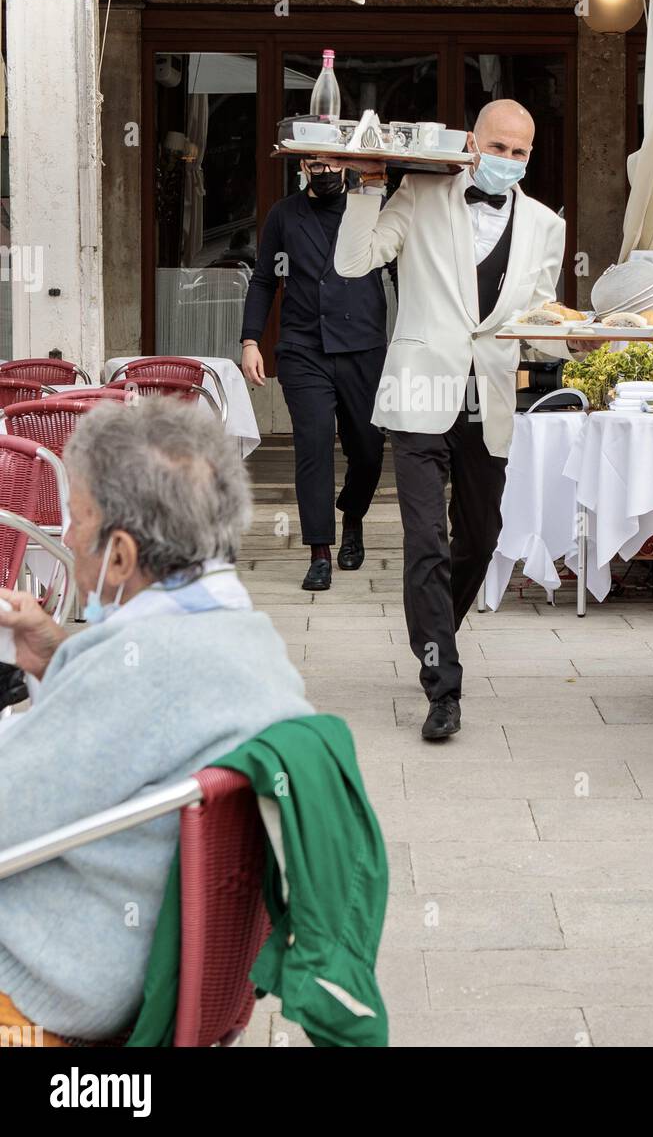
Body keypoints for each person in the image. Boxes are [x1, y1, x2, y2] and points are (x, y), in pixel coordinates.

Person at [0, 398, 313, 1044]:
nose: (65, 537)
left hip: (55, 980)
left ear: (119, 556)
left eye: (76, 519)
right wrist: (59, 657)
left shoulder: (135, 671)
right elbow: (140, 736)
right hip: (148, 963)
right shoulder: (245, 641)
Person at [335, 99, 580, 741]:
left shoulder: (545, 226)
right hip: (420, 391)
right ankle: (443, 684)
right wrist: (365, 185)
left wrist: (576, 339)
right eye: (497, 148)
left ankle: (434, 633)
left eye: (518, 153)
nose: (506, 161)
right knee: (426, 540)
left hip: (487, 399)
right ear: (472, 142)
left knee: (480, 535)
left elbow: (535, 321)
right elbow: (354, 262)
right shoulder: (420, 190)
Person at [241, 158, 388, 592]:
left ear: (345, 163)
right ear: (302, 162)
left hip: (364, 346)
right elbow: (265, 279)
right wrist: (251, 340)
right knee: (314, 445)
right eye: (313, 163)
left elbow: (404, 270)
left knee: (369, 449)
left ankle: (354, 515)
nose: (322, 170)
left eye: (330, 162)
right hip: (304, 347)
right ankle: (319, 551)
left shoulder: (369, 208)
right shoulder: (284, 214)